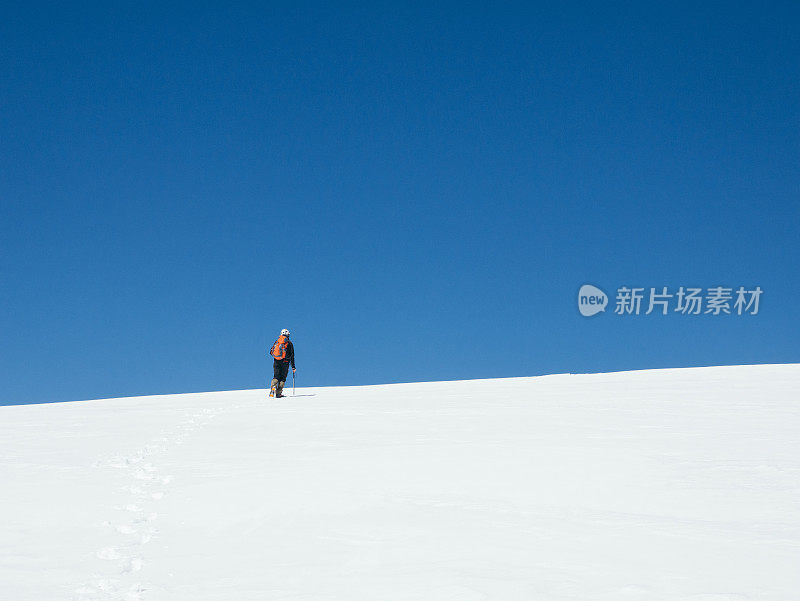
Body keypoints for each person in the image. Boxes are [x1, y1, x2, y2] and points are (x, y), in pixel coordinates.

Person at [269, 328, 295, 398]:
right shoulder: (289, 343)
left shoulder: (277, 342)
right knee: (282, 378)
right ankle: (278, 393)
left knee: (276, 376)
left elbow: (270, 352)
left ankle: (273, 386)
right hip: (285, 363)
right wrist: (293, 367)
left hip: (276, 361)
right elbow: (292, 355)